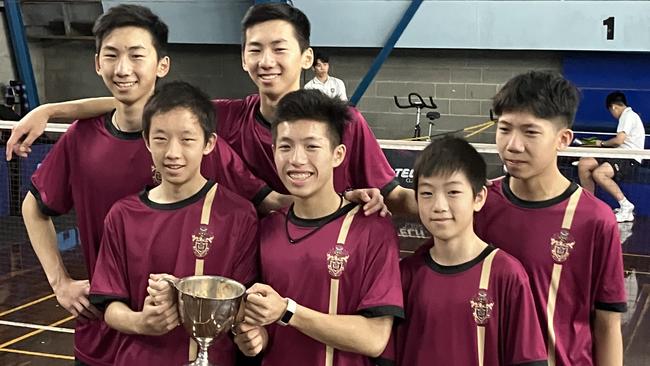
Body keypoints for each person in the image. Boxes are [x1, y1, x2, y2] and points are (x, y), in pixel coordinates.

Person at [20, 5, 270, 365]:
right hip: (105, 329)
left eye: (136, 55)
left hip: (182, 343)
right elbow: (34, 206)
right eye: (112, 56)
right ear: (97, 63)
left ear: (161, 65)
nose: (123, 69)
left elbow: (268, 202)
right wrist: (60, 282)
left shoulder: (192, 138)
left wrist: (352, 199)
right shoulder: (81, 138)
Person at [6, 2, 415, 216]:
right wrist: (52, 110)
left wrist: (452, 207)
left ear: (306, 57)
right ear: (243, 59)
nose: (267, 60)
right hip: (243, 276)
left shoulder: (344, 123)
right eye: (255, 49)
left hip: (317, 269)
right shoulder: (226, 116)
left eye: (280, 49)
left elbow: (391, 193)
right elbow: (144, 104)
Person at [89, 81, 258, 365]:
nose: (172, 153)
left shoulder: (238, 214)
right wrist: (142, 321)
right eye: (161, 139)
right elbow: (109, 304)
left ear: (209, 143)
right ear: (146, 140)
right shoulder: (123, 215)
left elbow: (242, 305)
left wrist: (186, 298)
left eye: (187, 139)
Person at [232, 89, 403, 366]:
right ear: (274, 152)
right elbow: (262, 325)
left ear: (338, 155)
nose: (297, 159)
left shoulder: (371, 228)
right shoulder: (268, 229)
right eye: (286, 146)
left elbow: (374, 338)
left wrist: (288, 311)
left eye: (312, 146)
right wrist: (255, 338)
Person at [475, 71, 626, 366]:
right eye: (504, 129)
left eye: (530, 132)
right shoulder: (477, 203)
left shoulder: (595, 219)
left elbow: (607, 324)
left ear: (563, 139)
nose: (513, 145)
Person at [381, 136, 546, 366]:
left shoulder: (505, 274)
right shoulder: (405, 275)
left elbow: (528, 360)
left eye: (453, 192)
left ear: (478, 198)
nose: (439, 206)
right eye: (427, 193)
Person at [577, 91, 645, 222]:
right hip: (617, 154)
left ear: (613, 107)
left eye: (611, 111)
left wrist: (601, 143)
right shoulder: (628, 116)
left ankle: (626, 206)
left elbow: (619, 140)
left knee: (599, 174)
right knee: (584, 163)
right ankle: (590, 207)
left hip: (629, 158)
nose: (612, 114)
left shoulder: (628, 115)